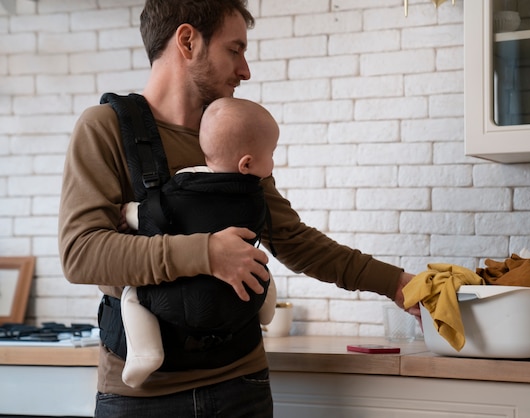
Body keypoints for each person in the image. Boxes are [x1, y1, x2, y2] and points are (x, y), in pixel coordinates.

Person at [58, 1, 420, 417]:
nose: (245, 70)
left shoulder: (232, 137)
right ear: (188, 41)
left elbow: (292, 239)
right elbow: (80, 253)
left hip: (241, 385)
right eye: (235, 50)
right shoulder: (104, 128)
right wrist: (208, 253)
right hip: (143, 398)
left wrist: (397, 284)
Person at [119, 97, 279, 388]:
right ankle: (266, 309)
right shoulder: (256, 199)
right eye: (272, 153)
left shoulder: (181, 191)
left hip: (175, 302)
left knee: (132, 292)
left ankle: (146, 352)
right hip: (241, 300)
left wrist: (129, 211)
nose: (274, 161)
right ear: (247, 163)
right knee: (258, 260)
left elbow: (150, 217)